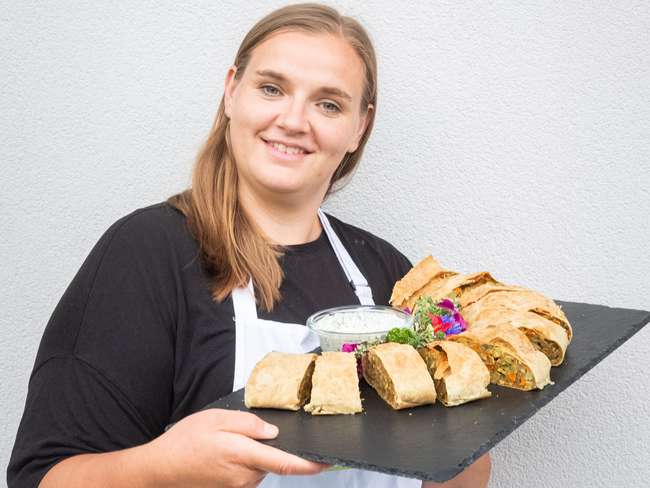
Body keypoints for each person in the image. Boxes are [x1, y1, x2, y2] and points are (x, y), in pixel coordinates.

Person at [7, 3, 491, 487]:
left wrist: (466, 436)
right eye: (271, 88)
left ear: (358, 127)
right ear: (231, 92)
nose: (294, 120)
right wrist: (164, 468)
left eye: (328, 104)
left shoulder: (388, 275)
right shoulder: (149, 254)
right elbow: (41, 478)